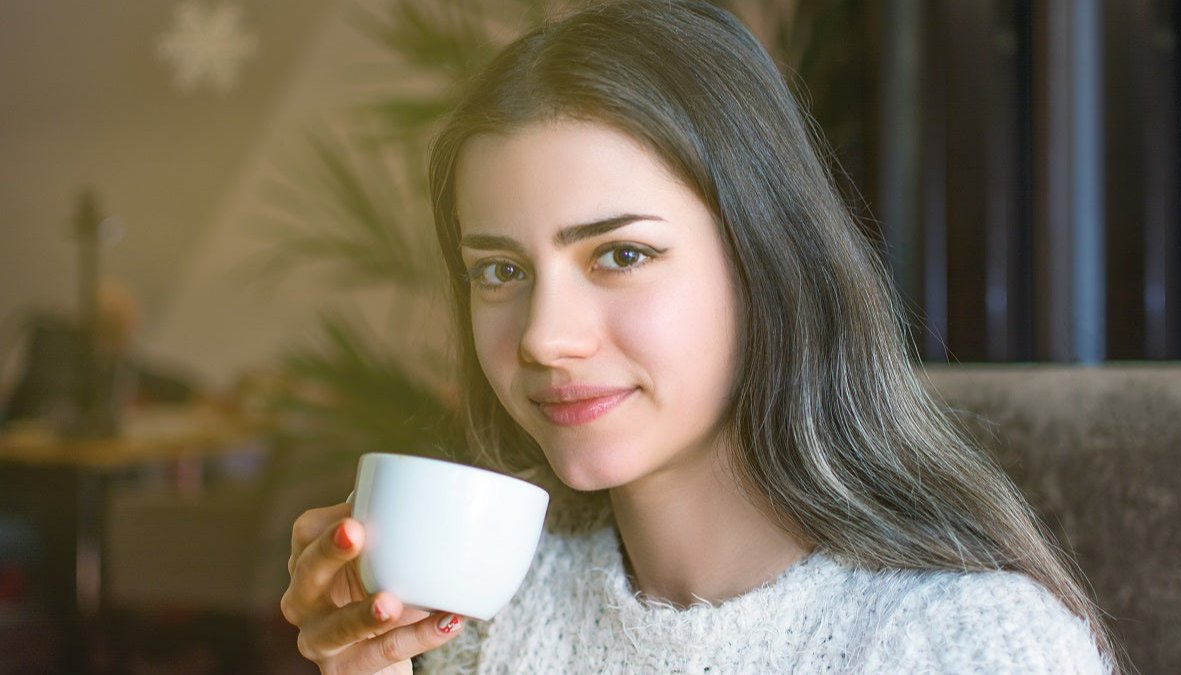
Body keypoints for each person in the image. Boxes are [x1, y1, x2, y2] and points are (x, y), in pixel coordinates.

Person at [281, 1, 1119, 672]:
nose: (544, 337)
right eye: (499, 270)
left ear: (767, 262)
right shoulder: (478, 617)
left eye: (622, 253)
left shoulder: (969, 647)